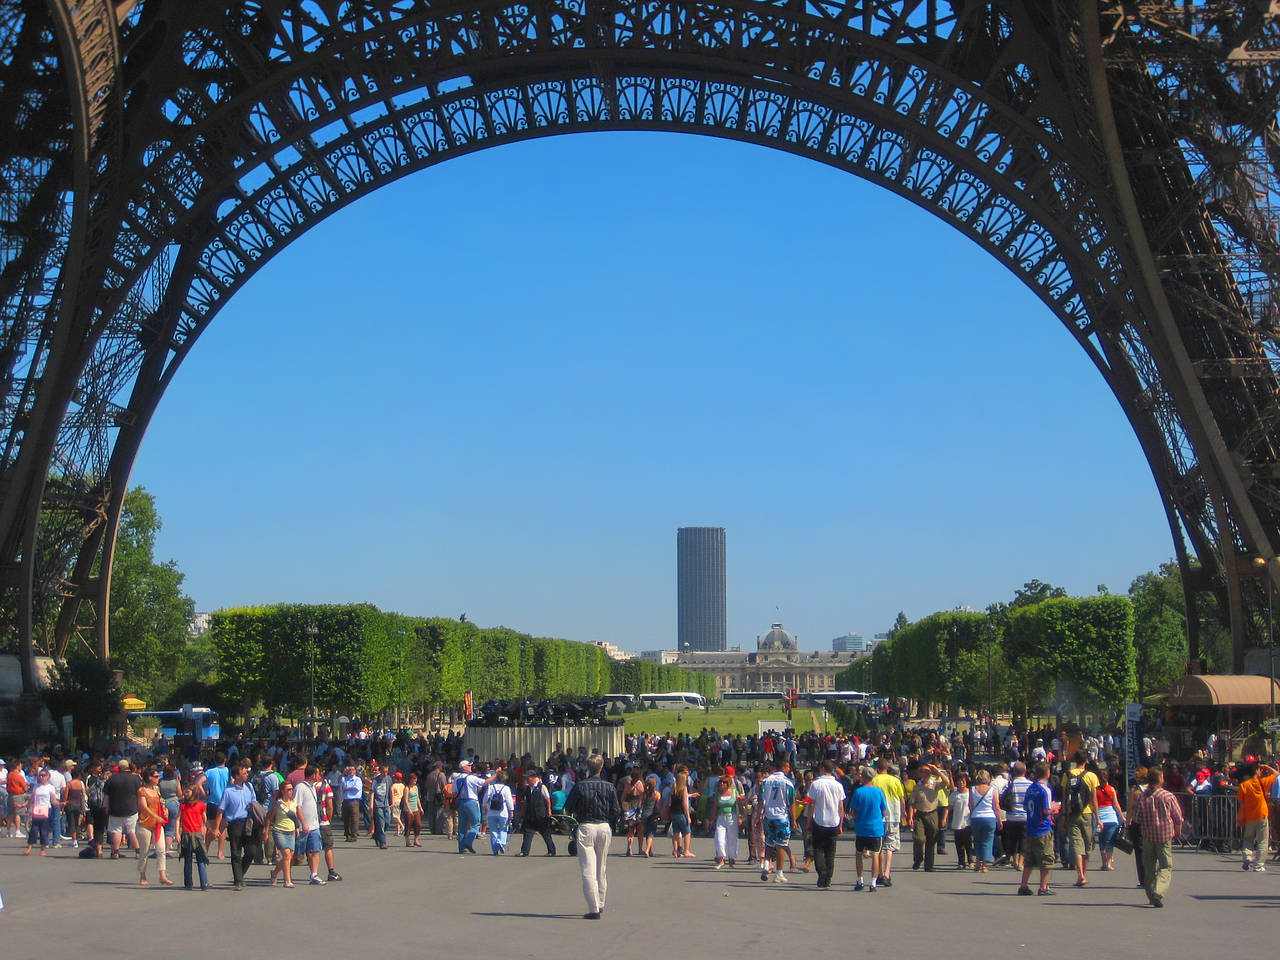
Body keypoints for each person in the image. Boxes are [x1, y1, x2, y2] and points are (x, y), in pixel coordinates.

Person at [563, 753, 622, 920]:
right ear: (601, 767)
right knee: (601, 868)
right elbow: (616, 810)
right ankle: (601, 902)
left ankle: (594, 907)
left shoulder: (580, 786)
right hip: (604, 826)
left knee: (588, 869)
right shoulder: (609, 786)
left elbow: (569, 807)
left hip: (587, 826)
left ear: (587, 767)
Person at [1135, 766, 1184, 907]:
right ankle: (1158, 891)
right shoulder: (1168, 796)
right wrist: (1178, 830)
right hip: (1164, 835)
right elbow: (1177, 816)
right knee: (1165, 865)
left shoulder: (1142, 796)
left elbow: (1137, 818)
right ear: (1160, 779)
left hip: (1148, 835)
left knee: (1149, 867)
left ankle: (1151, 895)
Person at [212, 762, 257, 890]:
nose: (247, 775)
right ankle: (238, 880)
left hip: (248, 822)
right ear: (237, 776)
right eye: (244, 773)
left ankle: (240, 874)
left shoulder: (249, 787)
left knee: (251, 851)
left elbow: (254, 802)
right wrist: (217, 828)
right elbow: (220, 811)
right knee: (236, 853)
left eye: (246, 773)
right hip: (235, 823)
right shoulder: (228, 791)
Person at [1016, 761, 1056, 896]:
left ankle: (1023, 885)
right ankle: (1043, 886)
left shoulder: (1031, 788)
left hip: (1031, 827)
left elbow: (1025, 807)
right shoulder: (1045, 789)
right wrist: (1054, 808)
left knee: (1030, 859)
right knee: (1046, 858)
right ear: (1047, 773)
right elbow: (1046, 810)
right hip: (1042, 827)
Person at [1060, 750, 1099, 887]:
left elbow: (1064, 798)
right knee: (1088, 844)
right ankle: (1084, 873)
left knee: (1076, 843)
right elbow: (1094, 799)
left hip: (1071, 813)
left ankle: (1079, 874)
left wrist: (1064, 815)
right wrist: (1097, 817)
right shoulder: (1091, 776)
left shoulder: (1067, 775)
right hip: (1087, 813)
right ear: (1086, 761)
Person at [848, 766, 887, 892]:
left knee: (859, 854)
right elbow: (884, 810)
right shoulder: (879, 792)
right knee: (876, 854)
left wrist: (857, 818)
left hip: (861, 827)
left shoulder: (858, 792)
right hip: (876, 828)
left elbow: (853, 811)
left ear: (863, 777)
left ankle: (860, 880)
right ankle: (873, 883)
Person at [759, 759, 797, 884]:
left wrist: (759, 815)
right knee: (781, 844)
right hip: (782, 817)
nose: (789, 769)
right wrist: (794, 819)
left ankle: (766, 863)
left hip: (769, 816)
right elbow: (791, 802)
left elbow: (761, 800)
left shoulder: (766, 781)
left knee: (769, 842)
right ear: (785, 767)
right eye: (788, 767)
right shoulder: (788, 783)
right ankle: (779, 873)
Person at [1236, 760, 1277, 871]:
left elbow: (1241, 801)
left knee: (1248, 838)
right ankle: (1259, 864)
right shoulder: (1263, 782)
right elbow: (1277, 774)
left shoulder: (1244, 785)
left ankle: (1247, 857)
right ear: (1257, 771)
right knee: (1262, 840)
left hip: (1250, 816)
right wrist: (1266, 766)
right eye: (1260, 770)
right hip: (1262, 814)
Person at [135, 765, 173, 885]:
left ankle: (162, 875)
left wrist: (165, 810)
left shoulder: (156, 789)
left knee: (161, 850)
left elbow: (161, 801)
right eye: (156, 776)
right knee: (144, 851)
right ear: (149, 778)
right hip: (144, 823)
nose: (158, 778)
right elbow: (143, 807)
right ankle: (142, 875)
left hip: (157, 824)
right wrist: (156, 816)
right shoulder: (142, 790)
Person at [909, 763, 951, 872]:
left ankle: (929, 865)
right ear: (920, 773)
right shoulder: (917, 787)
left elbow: (946, 782)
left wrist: (936, 770)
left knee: (932, 840)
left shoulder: (934, 784)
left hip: (932, 813)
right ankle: (918, 859)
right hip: (920, 814)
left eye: (928, 772)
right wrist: (910, 817)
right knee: (919, 839)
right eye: (923, 771)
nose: (926, 774)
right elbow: (912, 803)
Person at [870, 759, 904, 887]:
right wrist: (904, 813)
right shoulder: (895, 780)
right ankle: (887, 874)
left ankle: (880, 873)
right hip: (893, 815)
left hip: (878, 816)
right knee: (890, 846)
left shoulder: (875, 780)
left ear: (877, 769)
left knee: (879, 846)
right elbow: (902, 799)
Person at [103, 758, 142, 859]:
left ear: (119, 767)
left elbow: (106, 795)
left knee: (116, 830)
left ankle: (115, 851)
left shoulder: (112, 778)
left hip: (115, 808)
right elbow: (140, 794)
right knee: (132, 830)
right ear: (128, 767)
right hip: (131, 808)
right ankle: (138, 851)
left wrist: (105, 806)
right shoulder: (135, 778)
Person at [294, 765, 326, 885]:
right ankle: (278, 871)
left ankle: (314, 874)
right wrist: (303, 823)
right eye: (318, 774)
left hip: (314, 826)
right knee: (296, 854)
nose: (319, 776)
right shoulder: (300, 787)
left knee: (315, 850)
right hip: (304, 827)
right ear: (312, 775)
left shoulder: (313, 787)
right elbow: (298, 806)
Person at [968, 768, 1002, 872]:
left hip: (976, 817)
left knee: (977, 840)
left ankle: (977, 863)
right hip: (989, 817)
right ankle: (984, 865)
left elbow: (970, 805)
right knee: (987, 841)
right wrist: (999, 820)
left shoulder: (972, 789)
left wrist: (973, 814)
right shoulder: (992, 790)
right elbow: (996, 806)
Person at [267, 779, 300, 887]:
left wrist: (297, 828)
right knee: (286, 854)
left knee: (289, 856)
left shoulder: (294, 803)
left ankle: (275, 873)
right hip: (279, 830)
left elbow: (296, 817)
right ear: (283, 791)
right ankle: (287, 880)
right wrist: (266, 831)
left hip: (291, 831)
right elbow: (269, 818)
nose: (291, 791)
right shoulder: (278, 804)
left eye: (292, 789)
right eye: (288, 789)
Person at [517, 768, 555, 857]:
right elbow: (526, 801)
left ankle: (551, 851)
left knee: (546, 833)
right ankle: (524, 851)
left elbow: (548, 799)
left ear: (533, 778)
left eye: (528, 778)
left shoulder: (542, 787)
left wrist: (549, 811)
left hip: (541, 814)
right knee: (527, 833)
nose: (526, 779)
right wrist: (522, 812)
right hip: (530, 814)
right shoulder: (527, 789)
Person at [178, 785, 209, 890]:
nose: (185, 794)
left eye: (187, 792)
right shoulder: (182, 806)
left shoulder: (201, 805)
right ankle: (188, 883)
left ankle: (204, 882)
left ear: (194, 792)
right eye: (185, 792)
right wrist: (177, 833)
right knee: (187, 859)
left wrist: (206, 829)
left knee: (201, 859)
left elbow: (204, 819)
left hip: (197, 834)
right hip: (186, 834)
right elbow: (178, 819)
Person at [712, 764, 742, 869]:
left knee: (732, 838)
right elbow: (715, 806)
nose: (721, 784)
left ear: (728, 784)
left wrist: (740, 817)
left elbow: (739, 804)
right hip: (721, 817)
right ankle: (721, 859)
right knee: (719, 838)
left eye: (724, 782)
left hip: (732, 817)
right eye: (721, 782)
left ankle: (731, 858)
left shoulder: (734, 792)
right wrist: (712, 819)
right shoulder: (718, 793)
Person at [23, 767, 58, 855]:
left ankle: (42, 849)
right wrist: (25, 805)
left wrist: (61, 804)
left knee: (44, 830)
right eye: (40, 775)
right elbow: (32, 798)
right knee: (33, 830)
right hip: (37, 809)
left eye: (43, 775)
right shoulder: (36, 786)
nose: (41, 777)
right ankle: (29, 848)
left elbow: (53, 800)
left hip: (46, 809)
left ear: (47, 776)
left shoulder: (50, 787)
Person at [1094, 770, 1122, 872]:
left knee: (1102, 841)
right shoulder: (1111, 789)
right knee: (1110, 842)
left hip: (1101, 818)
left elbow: (1095, 805)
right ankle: (1109, 864)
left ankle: (1103, 863)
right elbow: (1116, 805)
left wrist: (1097, 818)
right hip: (1111, 818)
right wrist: (1122, 817)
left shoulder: (1095, 790)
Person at [483, 767, 514, 854]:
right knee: (503, 828)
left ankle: (495, 849)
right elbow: (509, 801)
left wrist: (485, 807)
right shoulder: (506, 788)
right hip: (503, 812)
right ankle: (501, 842)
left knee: (493, 830)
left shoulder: (491, 787)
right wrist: (511, 811)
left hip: (491, 812)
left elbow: (485, 798)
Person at [947, 770, 972, 869]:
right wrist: (945, 817)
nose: (961, 783)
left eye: (963, 781)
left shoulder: (971, 793)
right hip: (957, 822)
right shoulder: (954, 794)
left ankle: (970, 860)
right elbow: (949, 807)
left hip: (968, 822)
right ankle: (961, 862)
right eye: (959, 781)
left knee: (968, 843)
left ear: (966, 782)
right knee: (959, 844)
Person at [340, 762, 362, 843]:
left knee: (354, 819)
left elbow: (355, 788)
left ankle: (354, 835)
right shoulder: (345, 778)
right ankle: (347, 835)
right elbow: (339, 781)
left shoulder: (358, 779)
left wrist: (347, 788)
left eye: (353, 770)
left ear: (355, 771)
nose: (351, 771)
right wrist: (343, 773)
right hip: (345, 800)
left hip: (354, 801)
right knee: (346, 819)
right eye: (349, 770)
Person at [402, 772, 423, 846]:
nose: (415, 781)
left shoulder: (416, 787)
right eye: (414, 779)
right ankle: (407, 841)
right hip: (408, 810)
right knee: (408, 825)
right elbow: (405, 800)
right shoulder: (407, 788)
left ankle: (416, 839)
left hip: (416, 809)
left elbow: (417, 798)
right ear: (410, 780)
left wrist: (420, 808)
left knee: (418, 824)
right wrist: (409, 809)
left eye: (416, 780)